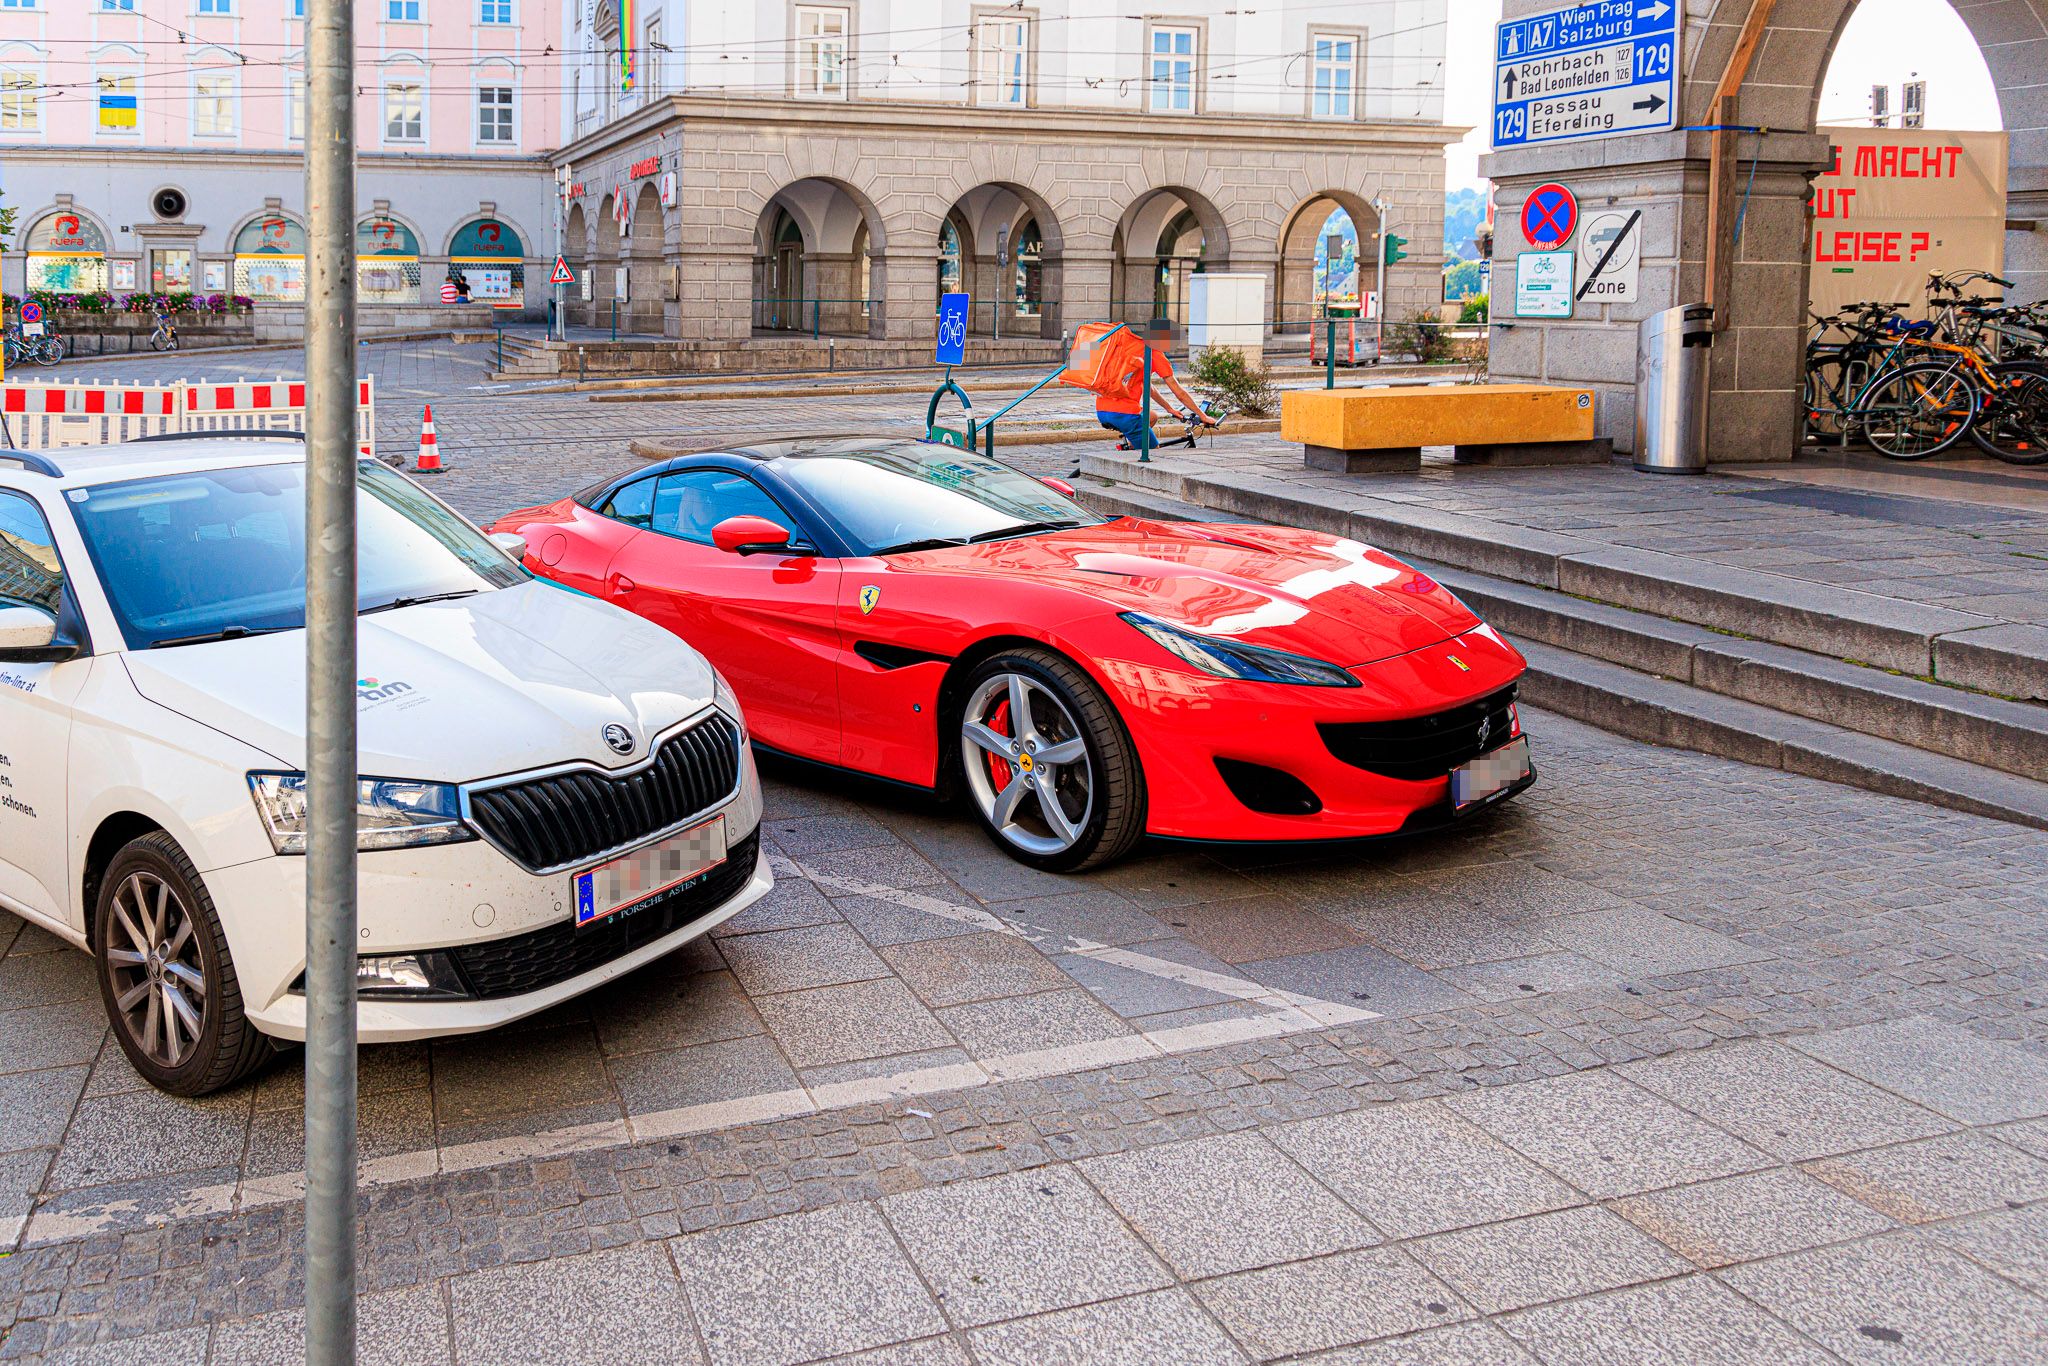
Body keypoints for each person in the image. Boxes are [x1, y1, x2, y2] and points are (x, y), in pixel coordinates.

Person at [1095, 317, 1216, 451]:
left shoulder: (1131, 346)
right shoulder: (1155, 355)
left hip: (1102, 410)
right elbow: (1179, 393)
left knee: (1152, 416)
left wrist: (1169, 409)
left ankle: (1133, 447)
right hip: (1125, 414)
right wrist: (1203, 416)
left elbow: (1148, 387)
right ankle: (1139, 452)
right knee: (1154, 452)